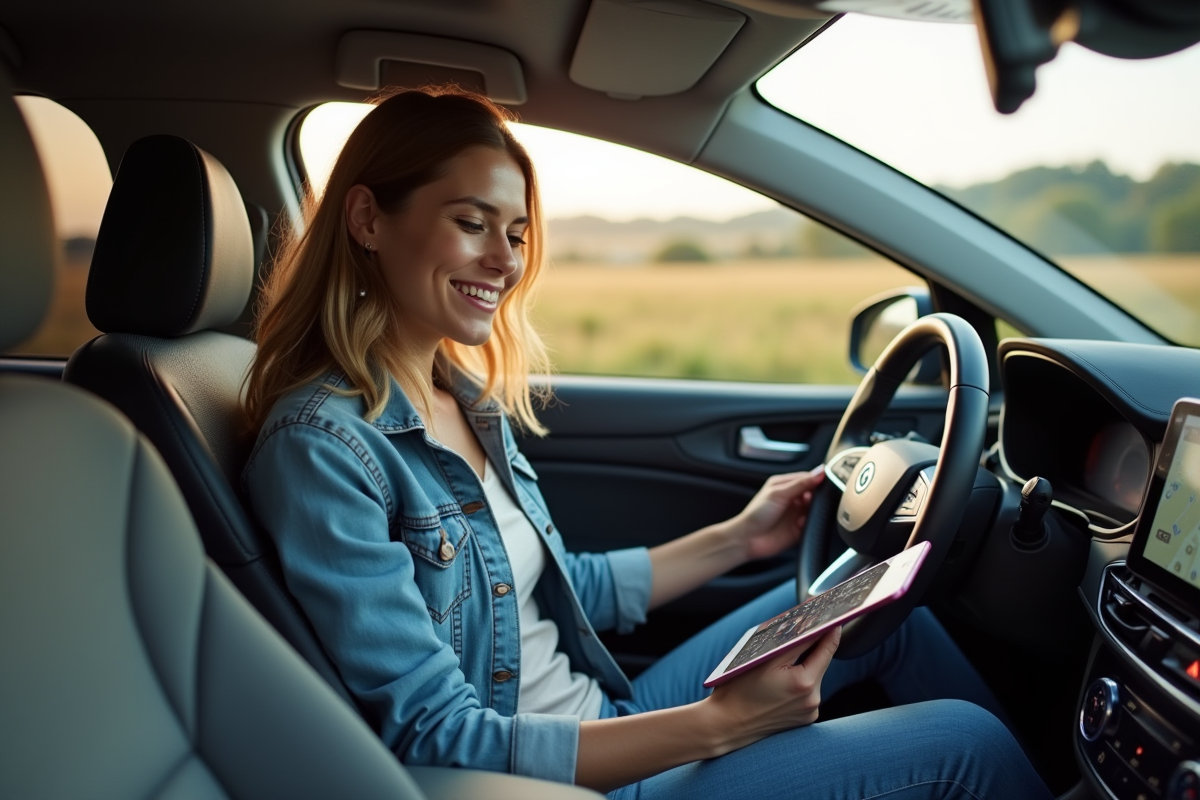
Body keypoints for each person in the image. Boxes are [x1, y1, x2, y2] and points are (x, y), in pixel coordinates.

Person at [242, 86, 1052, 799]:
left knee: (883, 603)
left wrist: (740, 538)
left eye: (518, 233)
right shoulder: (322, 449)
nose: (505, 259)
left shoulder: (461, 396)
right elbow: (433, 737)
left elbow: (565, 591)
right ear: (367, 220)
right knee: (965, 747)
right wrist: (717, 727)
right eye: (471, 223)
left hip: (608, 714)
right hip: (557, 782)